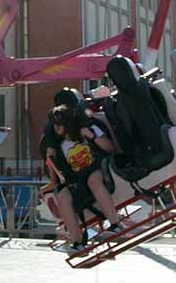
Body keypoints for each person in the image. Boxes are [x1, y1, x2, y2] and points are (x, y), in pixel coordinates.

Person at [48, 105, 124, 255]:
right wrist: (51, 158)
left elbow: (110, 148)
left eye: (60, 124)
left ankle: (115, 224)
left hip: (101, 167)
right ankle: (77, 243)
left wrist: (92, 136)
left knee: (93, 180)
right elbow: (64, 175)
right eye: (55, 124)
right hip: (80, 178)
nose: (57, 127)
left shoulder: (89, 129)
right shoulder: (60, 146)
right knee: (61, 194)